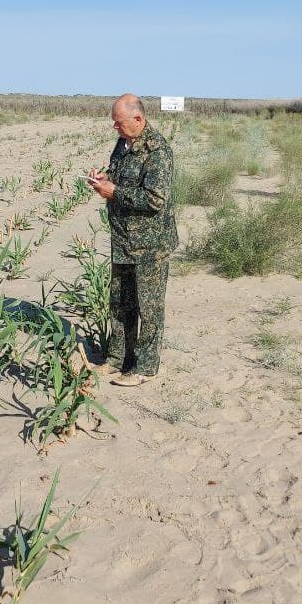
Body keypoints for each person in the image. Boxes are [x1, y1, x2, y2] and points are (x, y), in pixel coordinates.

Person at [88, 94, 178, 386]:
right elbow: (121, 175)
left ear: (138, 119)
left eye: (119, 123)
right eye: (114, 123)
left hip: (151, 245)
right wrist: (104, 178)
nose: (115, 128)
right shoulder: (124, 143)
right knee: (120, 302)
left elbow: (155, 199)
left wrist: (114, 192)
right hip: (124, 240)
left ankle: (144, 367)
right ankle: (117, 360)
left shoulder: (158, 150)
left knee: (148, 307)